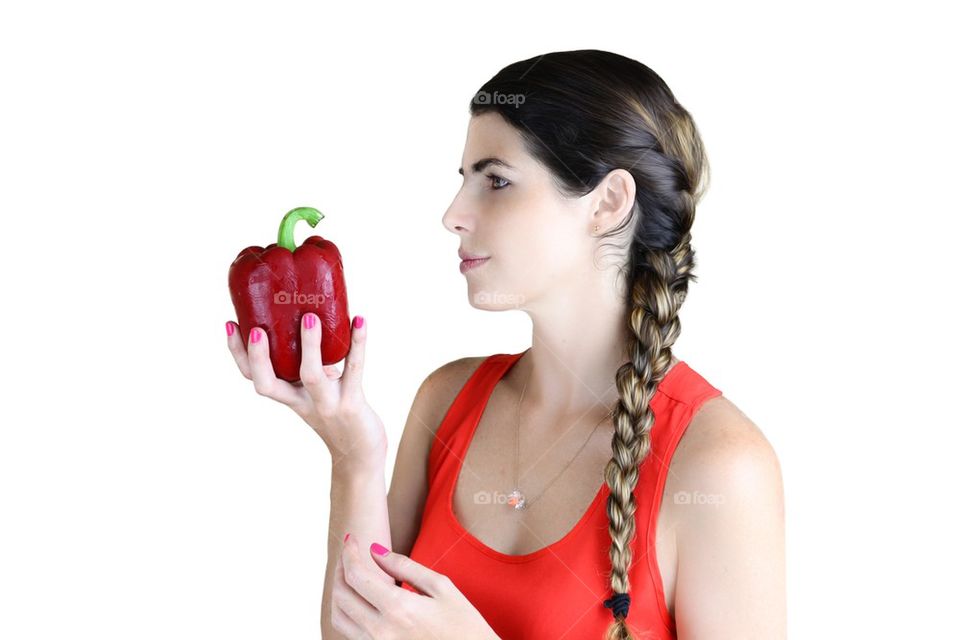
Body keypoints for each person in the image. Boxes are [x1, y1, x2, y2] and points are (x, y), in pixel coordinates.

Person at [226, 49, 785, 640]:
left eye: (496, 180)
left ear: (608, 203)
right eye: (464, 180)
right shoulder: (447, 400)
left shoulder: (721, 465)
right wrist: (354, 456)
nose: (454, 215)